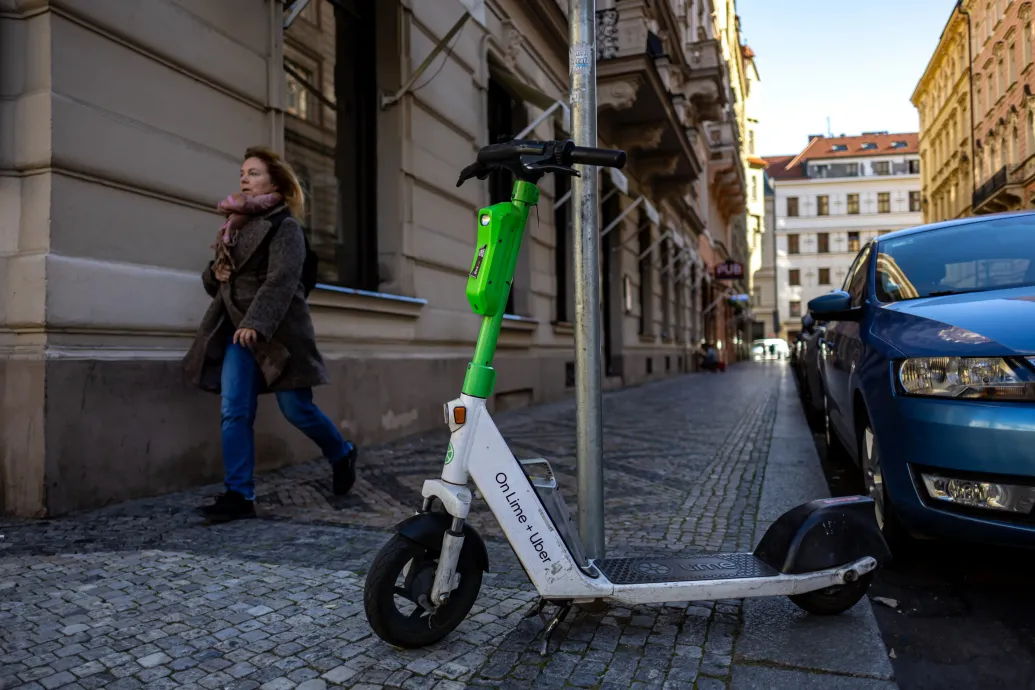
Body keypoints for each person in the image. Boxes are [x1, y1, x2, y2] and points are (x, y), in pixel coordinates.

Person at [183, 146, 358, 522]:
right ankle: (239, 495)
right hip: (236, 331)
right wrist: (217, 274)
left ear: (274, 182)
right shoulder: (233, 224)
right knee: (234, 411)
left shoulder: (285, 226)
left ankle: (342, 452)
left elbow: (281, 281)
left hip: (279, 333)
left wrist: (256, 323)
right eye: (242, 172)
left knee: (297, 410)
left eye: (254, 172)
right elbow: (213, 281)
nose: (244, 178)